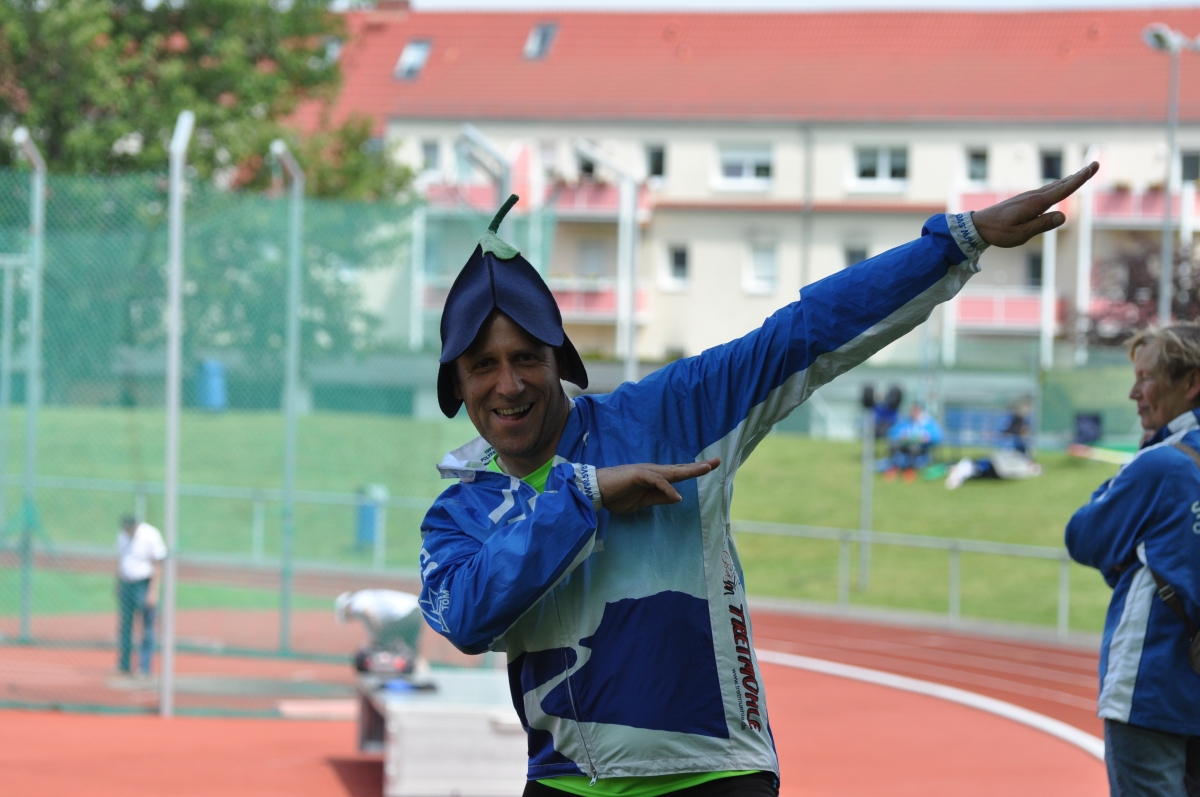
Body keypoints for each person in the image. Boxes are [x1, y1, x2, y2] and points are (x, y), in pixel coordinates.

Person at [419, 165, 1097, 797]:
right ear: (457, 384)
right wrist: (586, 495)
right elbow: (469, 619)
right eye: (483, 365)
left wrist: (958, 241)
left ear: (559, 361)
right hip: (565, 782)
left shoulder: (671, 412)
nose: (509, 384)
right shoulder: (460, 513)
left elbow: (804, 334)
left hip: (712, 773)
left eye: (525, 358)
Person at [1066, 323, 1200, 797]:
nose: (1133, 393)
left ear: (1191, 382)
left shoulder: (1162, 464)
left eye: (1146, 378)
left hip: (1152, 685)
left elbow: (1084, 536)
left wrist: (1129, 557)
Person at [115, 514, 166, 677]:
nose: (128, 532)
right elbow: (121, 560)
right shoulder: (122, 536)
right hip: (126, 583)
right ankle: (124, 665)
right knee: (125, 625)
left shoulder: (150, 534)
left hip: (143, 583)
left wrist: (153, 591)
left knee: (147, 625)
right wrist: (118, 583)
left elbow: (157, 563)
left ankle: (144, 667)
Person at [884, 403, 943, 481]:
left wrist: (927, 438)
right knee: (893, 445)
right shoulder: (905, 422)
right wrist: (900, 436)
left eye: (916, 411)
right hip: (903, 446)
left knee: (913, 447)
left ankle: (910, 470)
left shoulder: (928, 423)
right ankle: (894, 468)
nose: (913, 413)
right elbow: (891, 433)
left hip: (921, 450)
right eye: (912, 411)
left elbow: (938, 437)